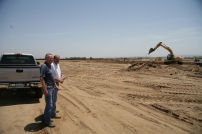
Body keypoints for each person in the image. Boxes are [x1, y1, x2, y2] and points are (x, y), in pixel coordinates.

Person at [40, 53, 59, 127]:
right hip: (48, 88)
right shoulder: (44, 66)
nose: (51, 59)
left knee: (50, 104)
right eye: (49, 58)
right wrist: (45, 89)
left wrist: (55, 85)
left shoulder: (50, 66)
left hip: (52, 87)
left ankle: (46, 118)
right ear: (46, 58)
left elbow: (52, 77)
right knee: (49, 105)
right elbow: (42, 78)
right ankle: (47, 122)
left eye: (51, 58)